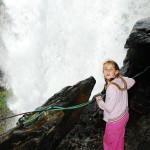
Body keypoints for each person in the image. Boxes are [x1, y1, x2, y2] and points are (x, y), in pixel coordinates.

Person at [96, 60, 135, 150]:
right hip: (124, 115)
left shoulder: (111, 88)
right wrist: (122, 80)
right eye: (105, 69)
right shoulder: (121, 80)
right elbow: (132, 81)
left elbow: (109, 108)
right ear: (103, 71)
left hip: (115, 121)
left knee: (109, 141)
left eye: (111, 69)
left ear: (116, 71)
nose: (107, 71)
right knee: (119, 138)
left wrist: (100, 101)